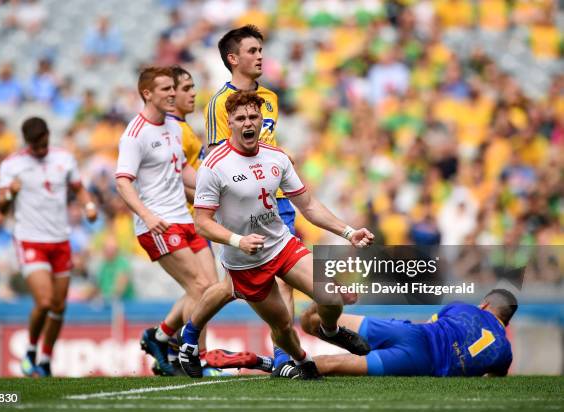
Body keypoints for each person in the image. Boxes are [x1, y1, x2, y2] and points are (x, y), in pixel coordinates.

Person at [179, 91, 375, 380]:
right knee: (282, 326)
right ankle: (303, 361)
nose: (248, 123)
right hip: (247, 260)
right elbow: (202, 223)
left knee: (332, 296)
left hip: (280, 244)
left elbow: (308, 204)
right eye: (241, 118)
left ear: (262, 122)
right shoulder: (214, 165)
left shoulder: (277, 157)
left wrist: (348, 231)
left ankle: (329, 330)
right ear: (229, 123)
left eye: (254, 117)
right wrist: (238, 241)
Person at [195, 24, 298, 369]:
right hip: (242, 205)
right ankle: (184, 334)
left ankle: (285, 356)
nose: (260, 56)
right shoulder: (219, 104)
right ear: (233, 58)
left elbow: (264, 148)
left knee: (287, 279)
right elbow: (213, 157)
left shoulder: (269, 98)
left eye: (261, 50)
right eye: (252, 51)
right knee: (234, 286)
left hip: (277, 198)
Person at [115, 66, 215, 376]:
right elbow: (122, 182)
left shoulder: (173, 127)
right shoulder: (135, 134)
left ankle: (159, 337)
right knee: (199, 287)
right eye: (166, 89)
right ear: (147, 93)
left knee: (211, 289)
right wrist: (146, 214)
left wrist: (215, 191)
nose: (173, 94)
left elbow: (183, 169)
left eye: (174, 88)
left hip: (184, 218)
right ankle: (193, 357)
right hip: (158, 224)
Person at [210, 289, 517, 378]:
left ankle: (328, 312)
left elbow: (432, 322)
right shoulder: (504, 352)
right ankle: (261, 367)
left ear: (486, 304)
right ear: (506, 322)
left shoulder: (465, 308)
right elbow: (492, 380)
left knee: (311, 322)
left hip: (409, 332)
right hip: (420, 361)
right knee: (322, 365)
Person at [0, 117, 98, 377]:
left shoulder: (64, 159)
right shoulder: (12, 165)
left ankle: (45, 358)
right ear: (26, 142)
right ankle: (30, 349)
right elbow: (1, 207)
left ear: (48, 136)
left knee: (59, 306)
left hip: (60, 239)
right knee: (44, 301)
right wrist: (11, 193)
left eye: (43, 145)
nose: (40, 150)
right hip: (30, 239)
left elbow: (79, 188)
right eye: (35, 146)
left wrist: (88, 206)